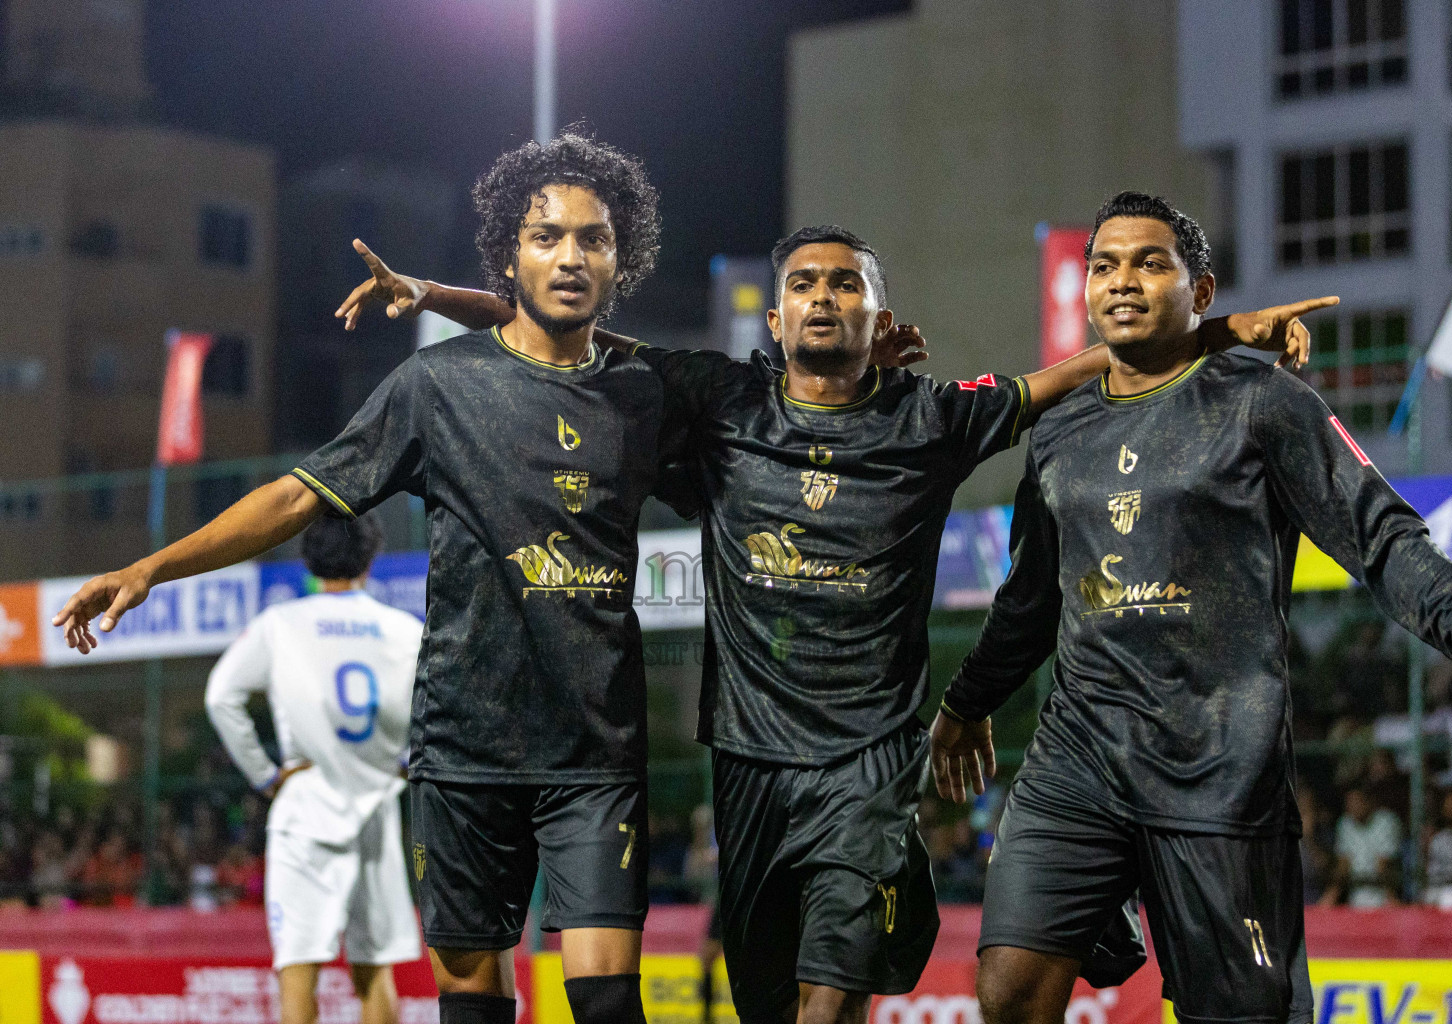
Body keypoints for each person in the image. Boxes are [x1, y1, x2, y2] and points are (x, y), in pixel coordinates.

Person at [343, 221, 1326, 1024]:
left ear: (878, 314)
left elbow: (1085, 368)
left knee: (835, 987)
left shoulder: (933, 418)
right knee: (773, 997)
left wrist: (1221, 330)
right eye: (805, 283)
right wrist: (430, 294)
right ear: (773, 318)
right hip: (751, 763)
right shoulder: (720, 403)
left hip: (869, 763)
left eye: (846, 285)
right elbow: (570, 342)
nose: (824, 295)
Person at [54, 133, 695, 1024]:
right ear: (508, 251)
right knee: (471, 998)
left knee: (606, 1001)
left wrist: (875, 390)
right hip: (464, 744)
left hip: (596, 748)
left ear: (622, 258)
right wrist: (152, 566)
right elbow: (292, 497)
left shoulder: (648, 393)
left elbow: (778, 419)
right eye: (547, 236)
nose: (572, 256)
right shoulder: (435, 385)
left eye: (596, 238)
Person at [930, 191, 1452, 1024]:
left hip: (1218, 770)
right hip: (1080, 760)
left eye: (1151, 262)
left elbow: (1382, 536)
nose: (1122, 281)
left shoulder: (1264, 400)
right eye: (1103, 265)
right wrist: (966, 702)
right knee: (1008, 988)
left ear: (1201, 292)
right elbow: (1031, 603)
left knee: (1246, 1014)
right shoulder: (1060, 431)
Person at [205, 514, 422, 1024]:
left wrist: (265, 775)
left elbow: (221, 697)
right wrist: (408, 764)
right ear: (371, 560)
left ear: (308, 561)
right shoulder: (406, 631)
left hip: (304, 811)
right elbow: (446, 712)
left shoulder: (281, 624)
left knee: (299, 971)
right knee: (374, 973)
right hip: (377, 807)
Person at [1325, 787, 1402, 908]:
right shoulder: (1345, 824)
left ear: (1369, 801)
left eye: (1357, 802)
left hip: (1382, 892)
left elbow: (1384, 864)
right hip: (1356, 893)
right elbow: (1344, 863)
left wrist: (1391, 897)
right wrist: (1331, 895)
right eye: (1349, 803)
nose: (1353, 807)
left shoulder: (1386, 820)